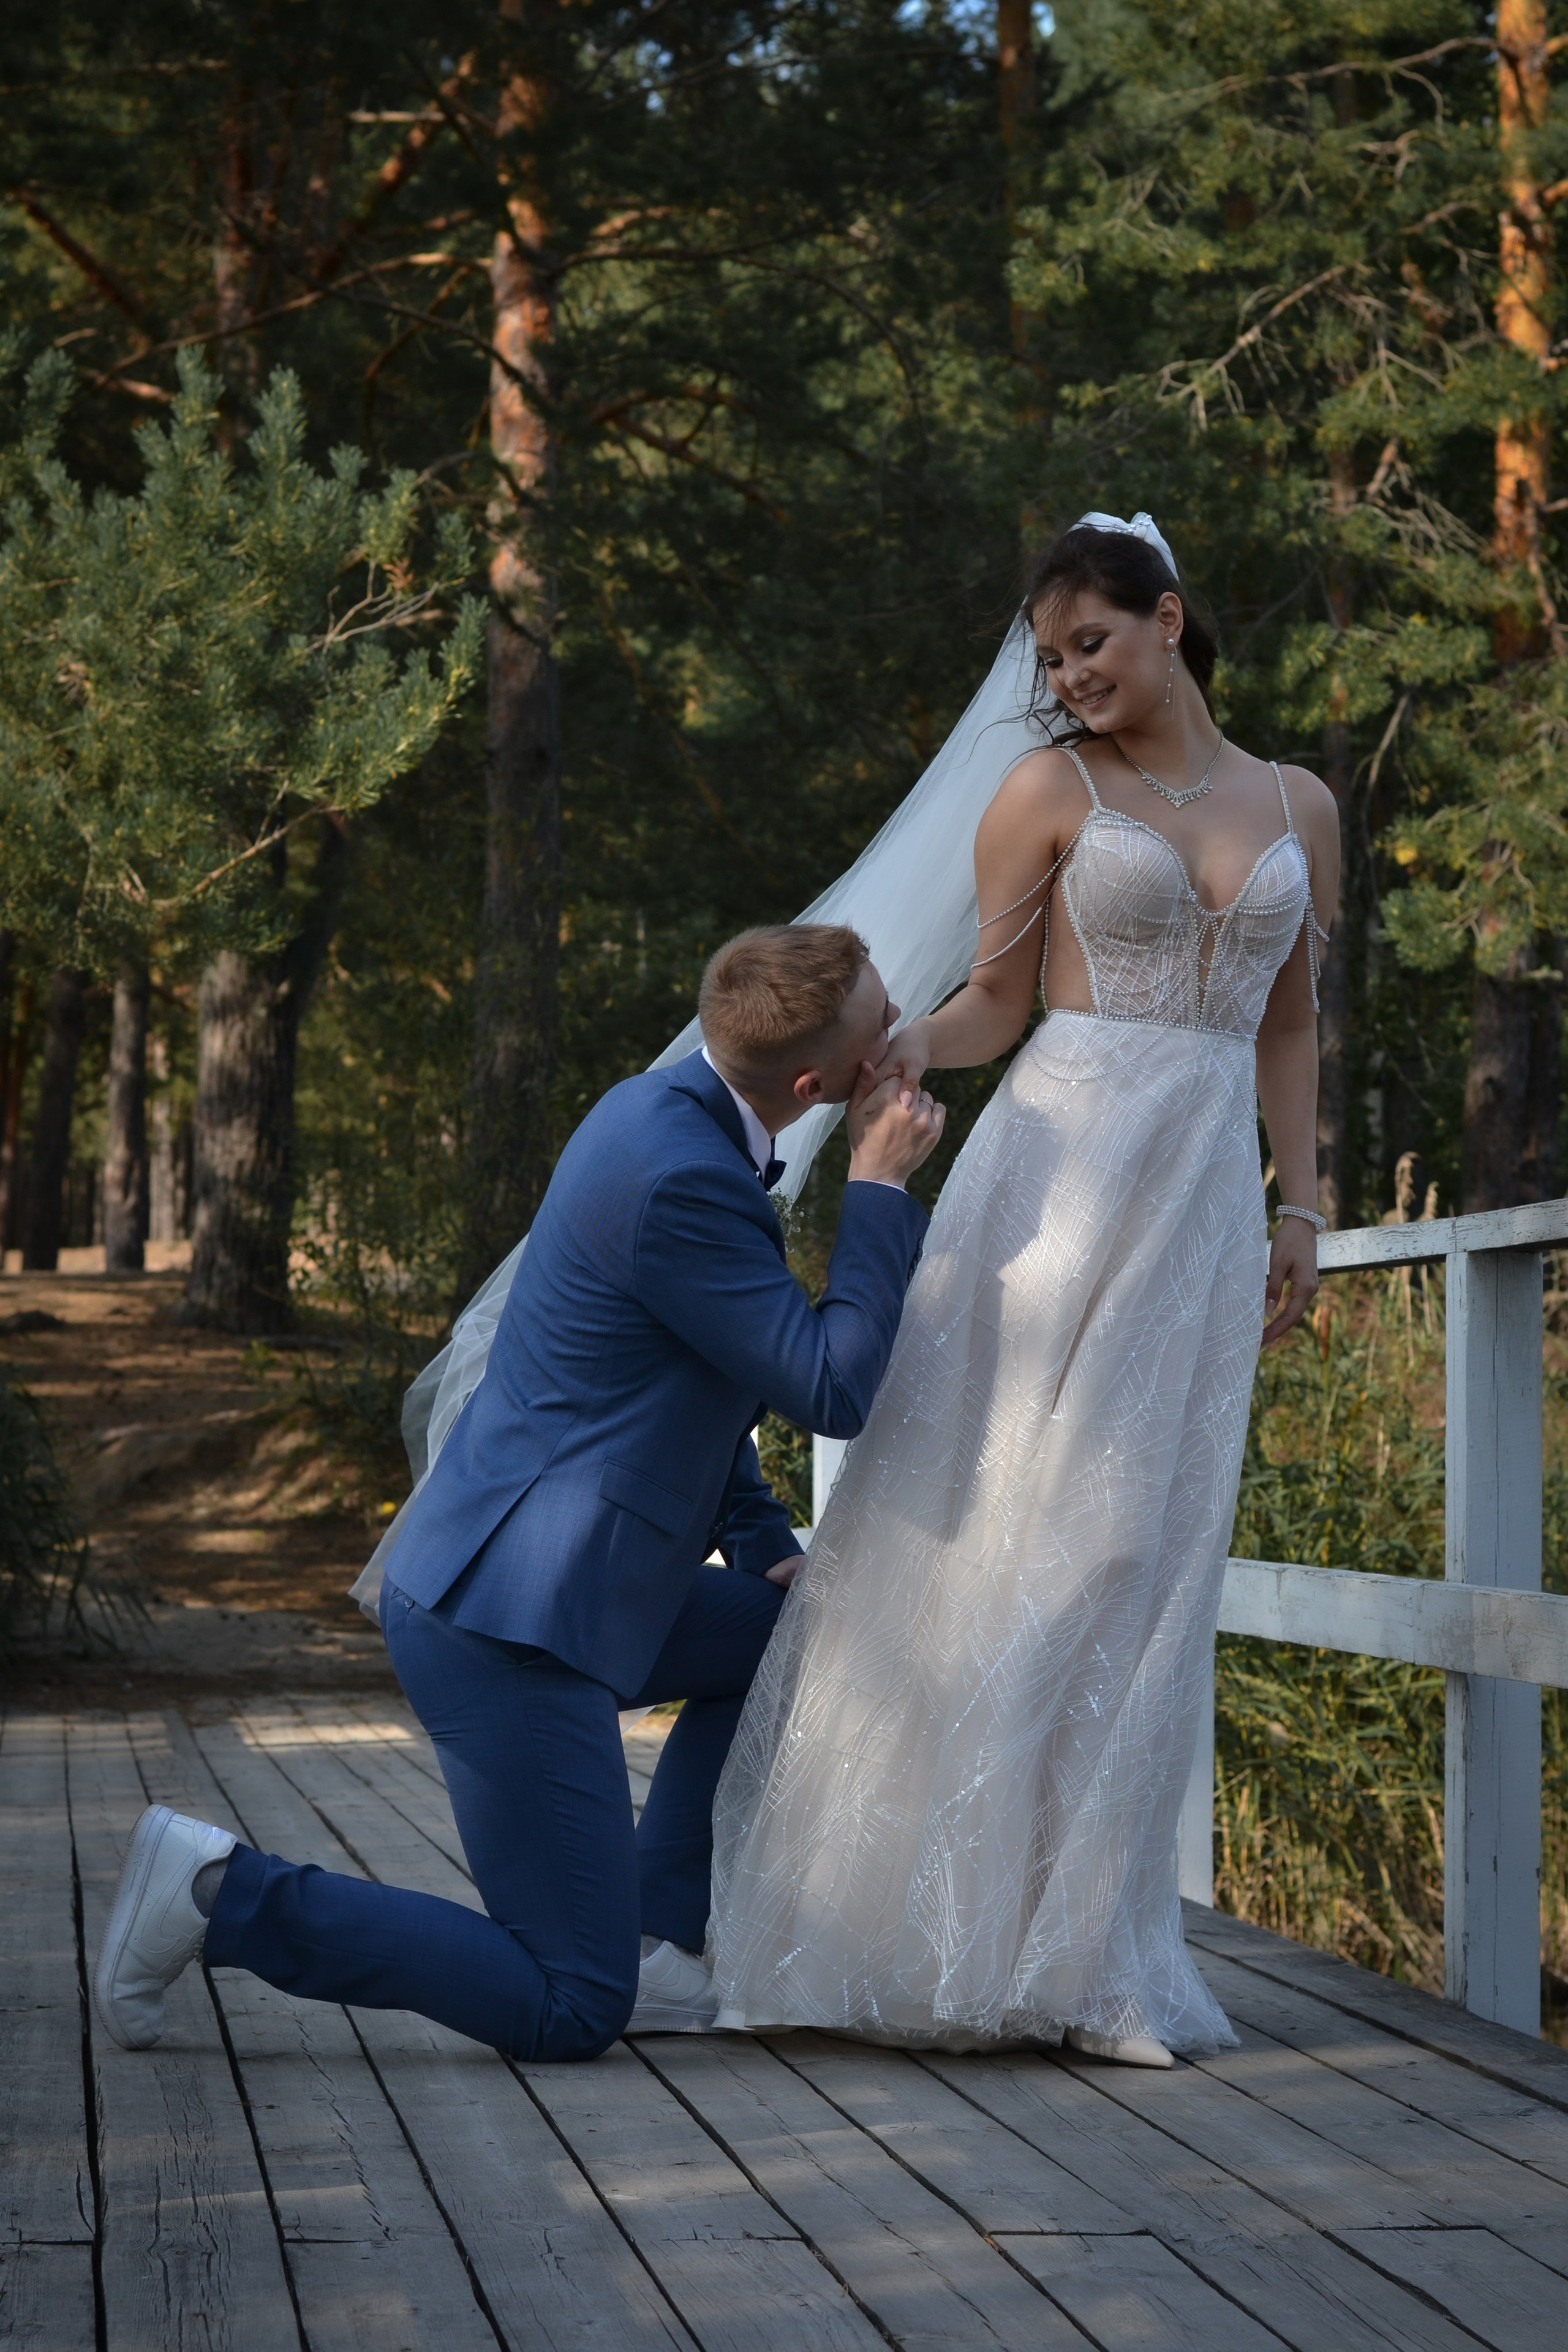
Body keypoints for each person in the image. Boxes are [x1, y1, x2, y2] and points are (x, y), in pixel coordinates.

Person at [707, 514, 1338, 2065]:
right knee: (1006, 1524)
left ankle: (1094, 1962)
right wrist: (902, 1049)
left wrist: (1303, 1201)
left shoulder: (1298, 805)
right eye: (1049, 655)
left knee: (1142, 1552)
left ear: (1168, 620)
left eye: (1090, 645)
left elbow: (1286, 1026)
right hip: (1048, 1184)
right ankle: (896, 1929)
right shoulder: (1046, 791)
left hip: (1193, 1202)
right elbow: (997, 999)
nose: (1066, 677)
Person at [92, 925, 943, 2060]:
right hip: (509, 1622)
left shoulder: (654, 1111)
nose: (898, 1037)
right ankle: (218, 1894)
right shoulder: (685, 1176)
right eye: (881, 1025)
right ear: (814, 1084)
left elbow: (676, 1381)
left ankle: (657, 1930)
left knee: (796, 1635)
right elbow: (831, 1383)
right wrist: (879, 1186)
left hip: (578, 1579)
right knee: (569, 2006)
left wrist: (757, 1539)